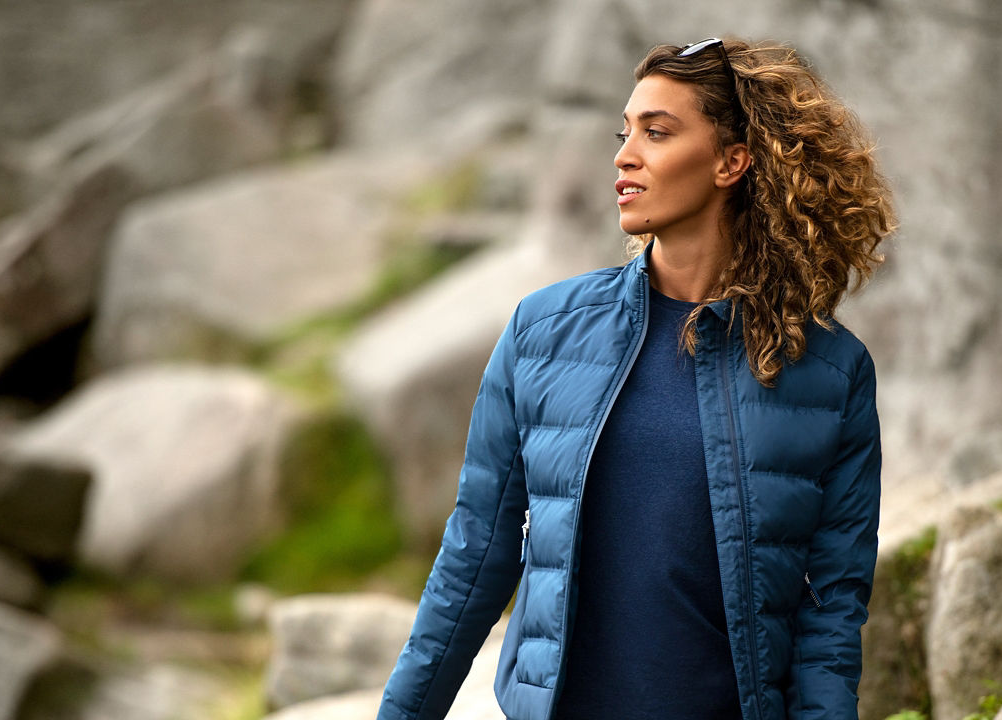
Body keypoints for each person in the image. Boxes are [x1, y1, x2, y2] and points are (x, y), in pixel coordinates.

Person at [377, 36, 896, 720]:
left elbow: (830, 614)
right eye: (625, 133)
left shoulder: (830, 372)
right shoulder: (543, 332)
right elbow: (474, 557)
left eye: (657, 132)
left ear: (732, 161)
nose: (625, 156)